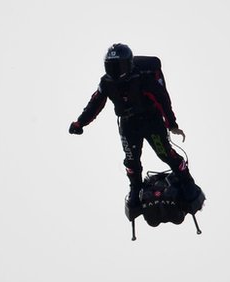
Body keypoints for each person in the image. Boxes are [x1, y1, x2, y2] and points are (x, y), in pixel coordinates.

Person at [69, 43, 194, 210]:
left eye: (119, 66)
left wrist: (171, 124)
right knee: (131, 160)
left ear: (128, 64)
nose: (115, 71)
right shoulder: (106, 82)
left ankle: (186, 180)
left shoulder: (143, 77)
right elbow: (95, 103)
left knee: (165, 153)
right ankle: (135, 188)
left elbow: (162, 99)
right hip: (128, 124)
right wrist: (80, 123)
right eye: (111, 66)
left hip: (151, 121)